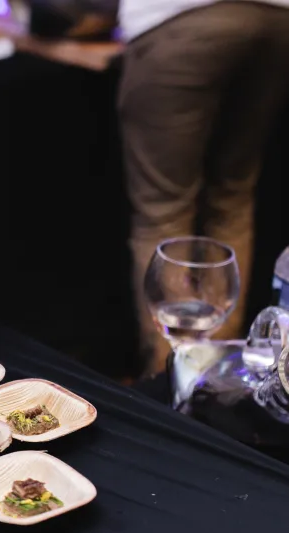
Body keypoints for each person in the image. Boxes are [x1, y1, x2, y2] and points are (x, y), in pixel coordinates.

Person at [118, 0, 289, 374]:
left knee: (163, 211)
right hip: (278, 19)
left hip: (179, 19)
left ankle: (174, 381)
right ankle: (217, 379)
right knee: (233, 197)